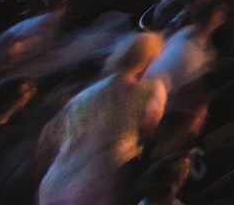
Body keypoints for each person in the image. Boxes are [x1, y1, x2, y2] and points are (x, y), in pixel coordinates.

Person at [37, 31, 170, 205]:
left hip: (55, 184)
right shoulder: (152, 90)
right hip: (104, 180)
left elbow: (66, 134)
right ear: (150, 60)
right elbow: (150, 128)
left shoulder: (85, 95)